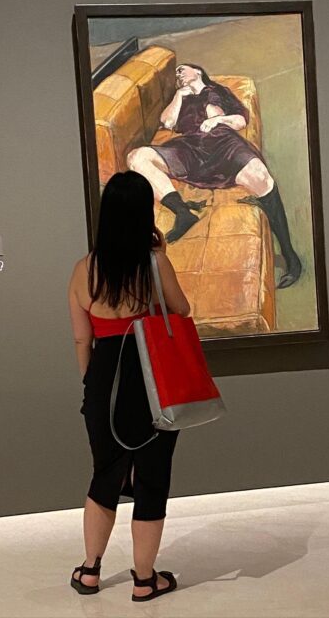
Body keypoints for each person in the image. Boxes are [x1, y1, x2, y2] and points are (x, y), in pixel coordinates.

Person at [67, 170, 188, 601]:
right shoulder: (153, 264)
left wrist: (92, 385)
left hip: (104, 379)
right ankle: (144, 579)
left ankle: (90, 571)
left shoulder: (84, 270)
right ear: (143, 215)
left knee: (104, 474)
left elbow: (82, 340)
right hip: (151, 379)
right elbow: (182, 310)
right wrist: (162, 257)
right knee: (152, 478)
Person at [126, 62, 302, 289]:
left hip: (223, 142)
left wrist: (217, 120)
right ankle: (183, 212)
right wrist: (179, 95)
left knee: (261, 176)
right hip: (190, 147)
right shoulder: (181, 98)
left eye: (182, 69)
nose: (178, 74)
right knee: (136, 157)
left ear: (198, 71)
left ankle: (290, 255)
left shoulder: (218, 91)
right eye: (177, 72)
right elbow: (167, 122)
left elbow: (240, 120)